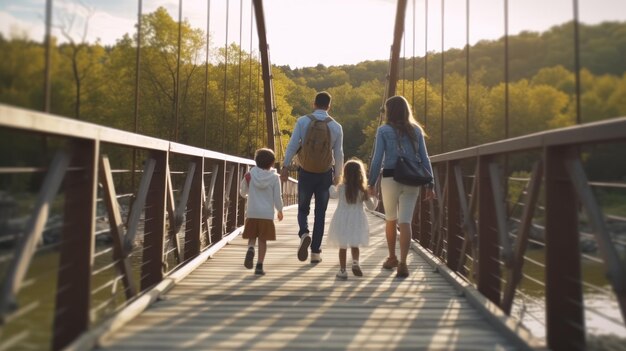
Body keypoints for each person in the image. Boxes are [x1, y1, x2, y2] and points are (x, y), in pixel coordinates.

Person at [367, 95, 436, 278]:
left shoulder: (383, 130)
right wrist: (431, 182)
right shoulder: (416, 131)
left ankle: (392, 257)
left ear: (389, 112)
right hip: (412, 179)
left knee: (391, 219)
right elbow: (425, 157)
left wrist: (371, 182)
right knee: (405, 221)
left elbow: (377, 159)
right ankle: (404, 263)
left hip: (390, 178)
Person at [280, 91, 344, 264]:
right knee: (320, 214)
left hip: (306, 172)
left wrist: (285, 166)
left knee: (303, 209)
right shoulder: (336, 127)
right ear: (329, 106)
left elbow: (293, 144)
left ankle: (304, 233)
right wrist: (337, 176)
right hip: (324, 174)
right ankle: (315, 252)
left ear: (313, 103)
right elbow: (339, 154)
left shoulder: (303, 121)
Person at [327, 159, 378, 280]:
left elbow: (332, 195)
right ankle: (355, 262)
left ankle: (343, 270)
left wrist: (331, 185)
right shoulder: (362, 190)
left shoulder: (341, 187)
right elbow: (371, 207)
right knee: (355, 244)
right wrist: (374, 197)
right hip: (357, 219)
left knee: (342, 246)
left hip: (342, 219)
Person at [240, 148, 284, 275]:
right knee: (263, 240)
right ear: (272, 163)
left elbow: (243, 192)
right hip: (266, 215)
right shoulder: (275, 178)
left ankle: (250, 249)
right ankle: (259, 266)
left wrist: (248, 193)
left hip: (252, 212)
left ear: (256, 161)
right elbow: (277, 197)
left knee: (252, 236)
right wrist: (280, 210)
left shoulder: (250, 175)